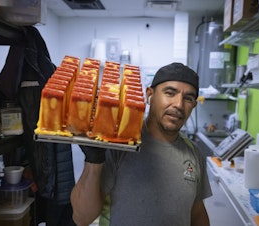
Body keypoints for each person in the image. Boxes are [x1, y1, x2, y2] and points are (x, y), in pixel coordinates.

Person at [70, 62, 212, 226]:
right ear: (149, 95)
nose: (178, 105)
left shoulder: (194, 153)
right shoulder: (121, 145)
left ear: (193, 105)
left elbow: (197, 213)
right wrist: (93, 160)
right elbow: (82, 217)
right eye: (170, 93)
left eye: (188, 98)